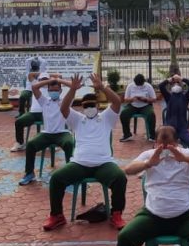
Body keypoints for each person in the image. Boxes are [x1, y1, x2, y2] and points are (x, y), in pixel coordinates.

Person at [42, 74, 128, 231]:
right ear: (82, 107)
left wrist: (102, 87)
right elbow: (64, 108)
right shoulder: (77, 119)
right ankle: (57, 216)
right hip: (79, 164)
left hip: (103, 164)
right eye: (86, 106)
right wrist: (73, 90)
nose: (89, 108)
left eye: (92, 105)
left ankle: (116, 214)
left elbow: (117, 102)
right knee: (56, 179)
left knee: (120, 178)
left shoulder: (106, 117)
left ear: (98, 106)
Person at [119, 74, 157, 142]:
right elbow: (126, 99)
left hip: (145, 106)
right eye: (137, 84)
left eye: (140, 84)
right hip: (133, 106)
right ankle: (127, 135)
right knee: (124, 114)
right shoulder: (130, 86)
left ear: (143, 82)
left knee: (151, 114)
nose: (139, 86)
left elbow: (154, 99)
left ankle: (152, 136)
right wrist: (132, 99)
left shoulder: (148, 86)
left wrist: (145, 99)